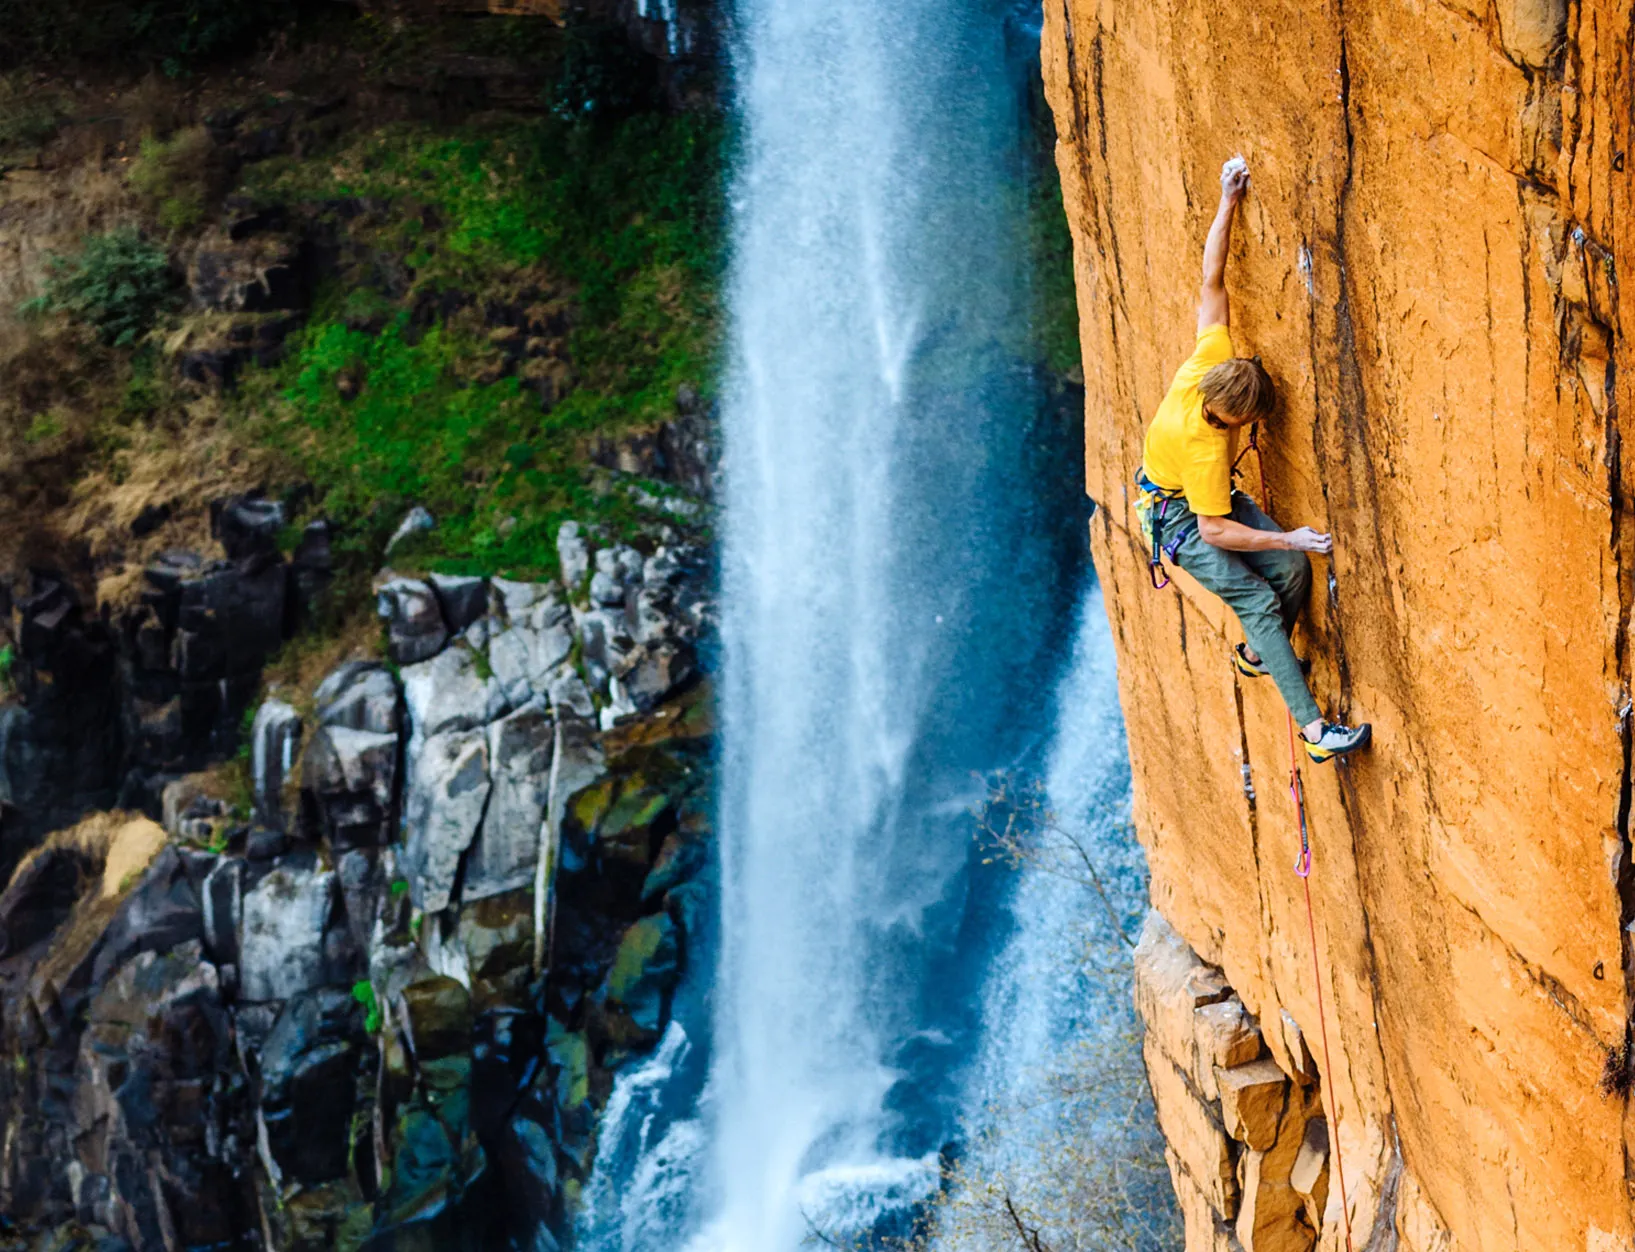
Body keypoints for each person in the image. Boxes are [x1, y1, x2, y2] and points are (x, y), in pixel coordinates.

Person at [1135, 157, 1371, 764]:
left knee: (1292, 575)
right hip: (1181, 522)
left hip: (1193, 498)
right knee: (1260, 598)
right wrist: (1289, 536)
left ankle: (1259, 654)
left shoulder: (1206, 362)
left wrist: (1227, 200)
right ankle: (1317, 735)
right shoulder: (1205, 449)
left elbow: (1212, 281)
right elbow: (1212, 528)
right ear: (1232, 419)